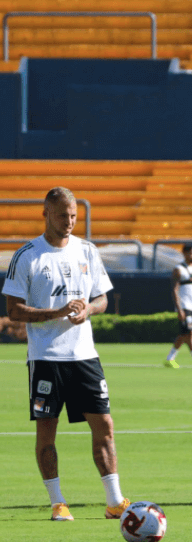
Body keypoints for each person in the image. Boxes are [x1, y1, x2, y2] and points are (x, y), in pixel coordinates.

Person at [2, 187, 130, 521]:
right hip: (46, 358)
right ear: (45, 213)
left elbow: (102, 298)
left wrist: (88, 309)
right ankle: (58, 501)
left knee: (104, 424)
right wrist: (56, 312)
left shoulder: (87, 251)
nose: (70, 222)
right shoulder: (28, 255)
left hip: (85, 356)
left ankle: (115, 501)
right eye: (63, 215)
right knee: (47, 430)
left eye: (74, 215)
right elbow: (13, 311)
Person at [164, 243, 192, 368]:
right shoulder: (179, 269)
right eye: (191, 253)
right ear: (185, 254)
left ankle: (170, 358)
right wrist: (179, 309)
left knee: (185, 334)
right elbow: (174, 290)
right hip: (184, 305)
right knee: (190, 332)